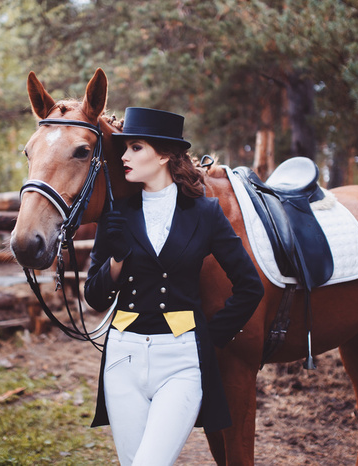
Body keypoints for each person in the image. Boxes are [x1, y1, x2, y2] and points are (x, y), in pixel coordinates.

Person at [84, 107, 264, 466]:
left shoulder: (206, 214)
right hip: (123, 357)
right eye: (123, 149)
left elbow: (250, 286)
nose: (123, 157)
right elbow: (94, 297)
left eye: (135, 147)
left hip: (181, 360)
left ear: (164, 154)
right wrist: (117, 262)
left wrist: (210, 338)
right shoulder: (116, 214)